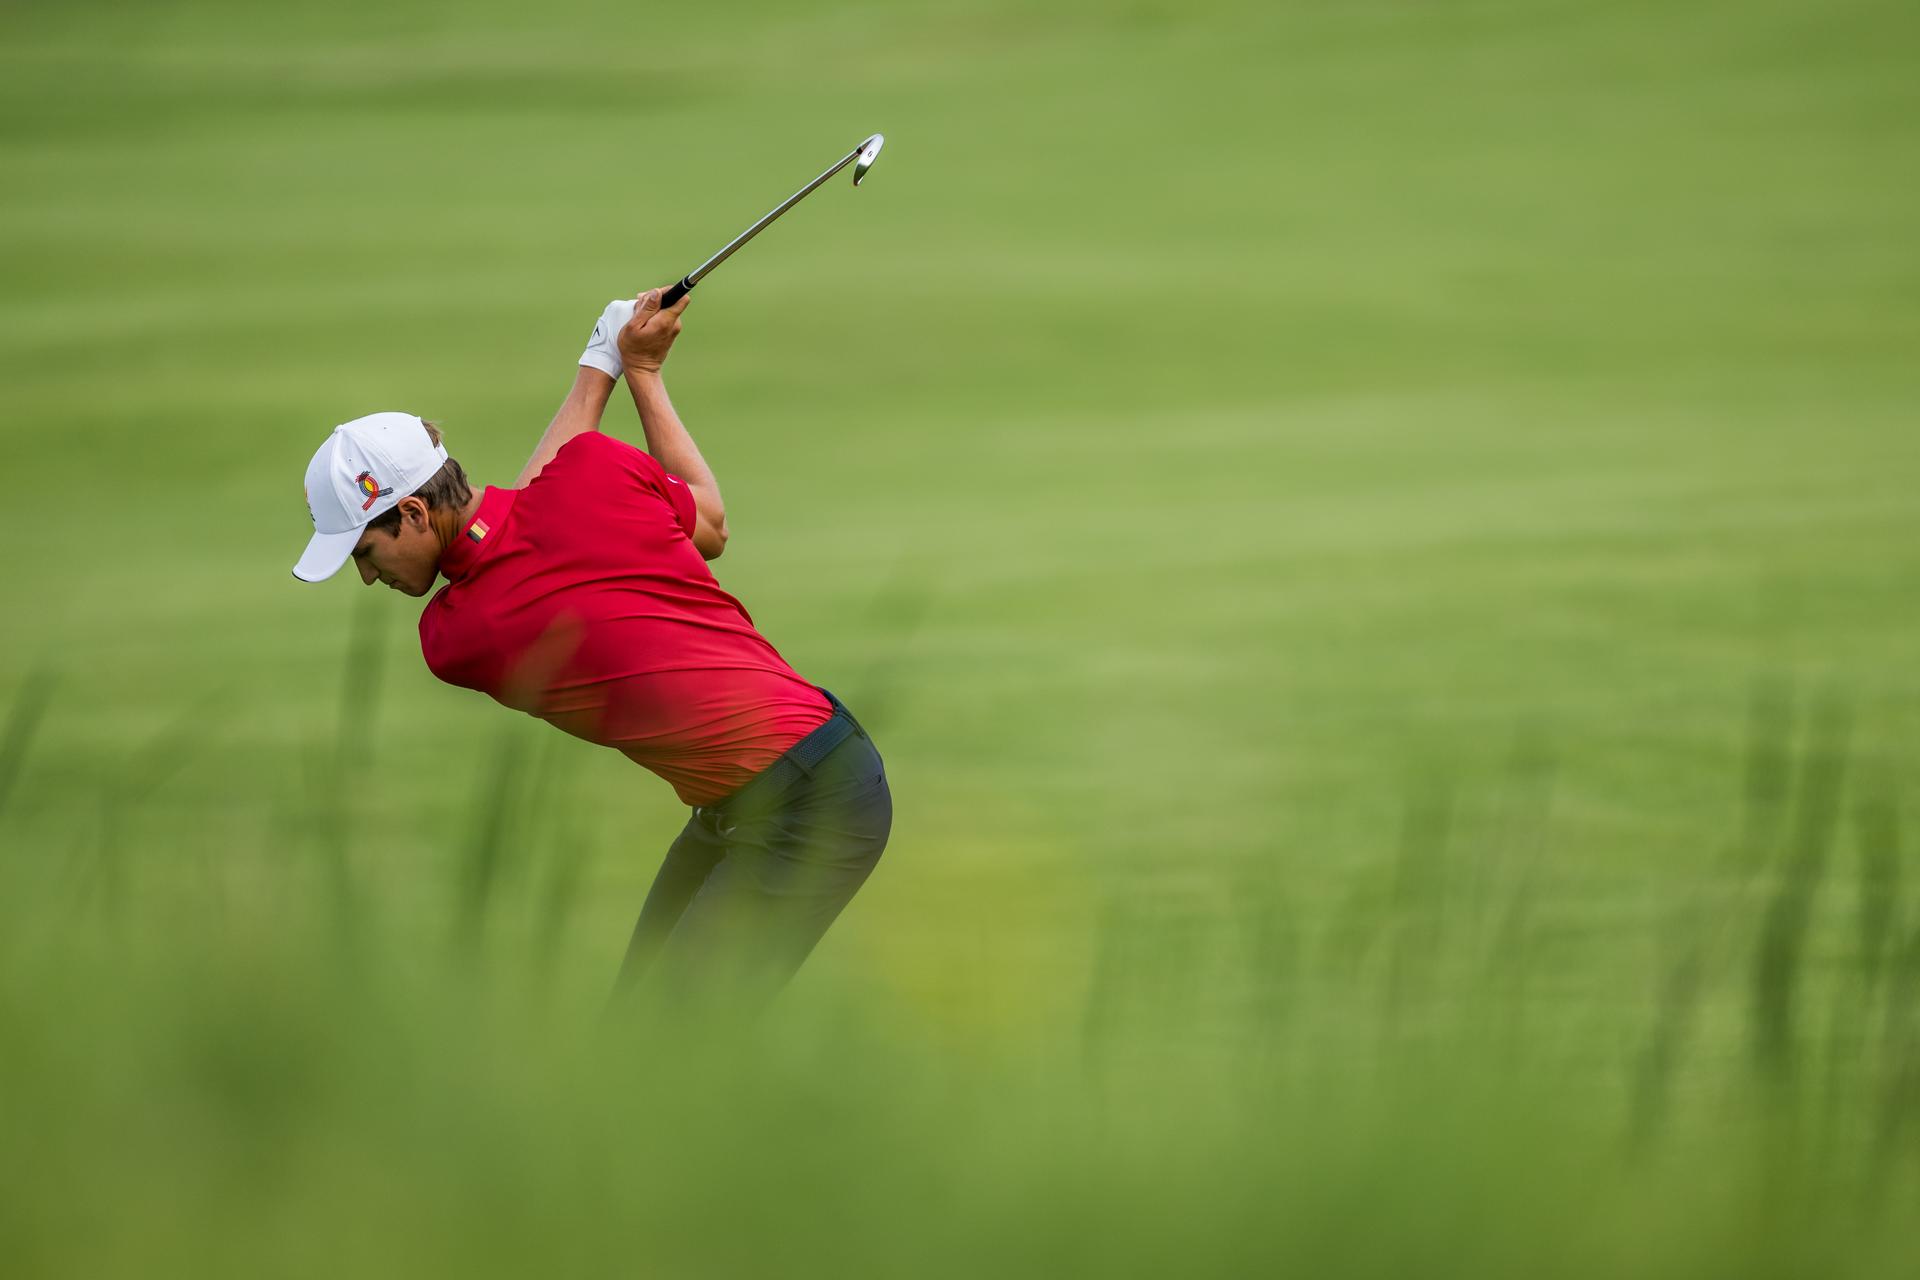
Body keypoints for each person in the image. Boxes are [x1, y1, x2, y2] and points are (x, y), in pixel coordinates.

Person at [290, 288, 892, 1008]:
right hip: (753, 798)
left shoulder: (456, 634)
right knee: (632, 1048)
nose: (366, 576)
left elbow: (522, 518)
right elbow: (709, 524)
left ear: (414, 511)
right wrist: (631, 370)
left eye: (364, 551)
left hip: (813, 801)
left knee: (671, 1057)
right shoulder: (595, 472)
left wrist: (606, 362)